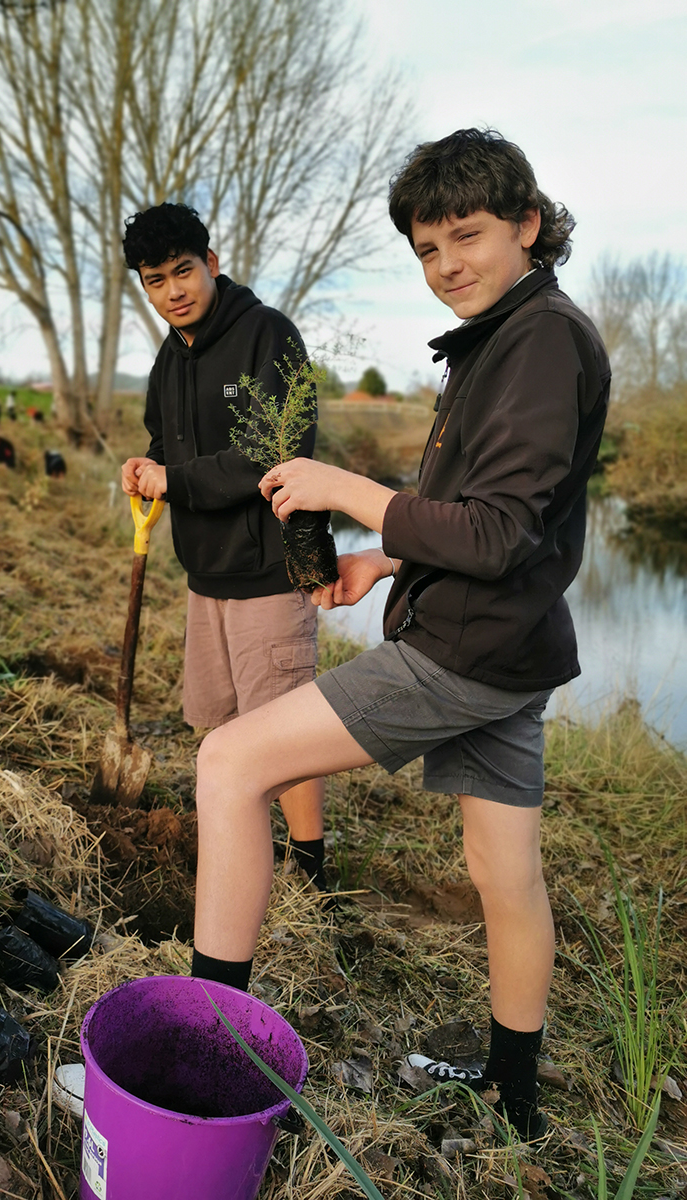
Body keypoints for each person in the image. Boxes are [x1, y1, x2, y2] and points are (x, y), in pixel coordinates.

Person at [188, 130, 610, 1142]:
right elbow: (493, 510)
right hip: (511, 650)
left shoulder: (541, 339)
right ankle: (516, 1095)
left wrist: (349, 491)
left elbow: (500, 533)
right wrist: (388, 555)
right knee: (503, 872)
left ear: (529, 226)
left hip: (462, 657)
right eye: (426, 249)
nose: (446, 264)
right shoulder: (513, 334)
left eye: (467, 236)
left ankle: (206, 1057)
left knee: (230, 763)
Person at [120, 202, 328, 890]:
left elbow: (271, 453)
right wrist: (148, 471)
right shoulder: (169, 358)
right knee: (221, 726)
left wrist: (173, 479)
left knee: (284, 732)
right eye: (155, 280)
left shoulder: (266, 336)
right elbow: (163, 441)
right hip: (204, 572)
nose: (173, 290)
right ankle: (246, 849)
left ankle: (310, 869)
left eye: (184, 271)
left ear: (211, 264)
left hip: (269, 570)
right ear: (144, 288)